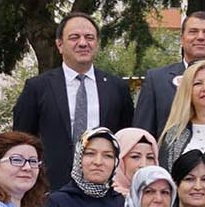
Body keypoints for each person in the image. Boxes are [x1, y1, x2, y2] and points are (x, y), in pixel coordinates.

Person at [12, 13, 135, 191]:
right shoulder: (38, 87)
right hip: (51, 189)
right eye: (74, 37)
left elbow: (127, 137)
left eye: (89, 37)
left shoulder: (117, 88)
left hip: (105, 189)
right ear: (59, 45)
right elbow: (21, 140)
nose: (83, 43)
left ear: (97, 44)